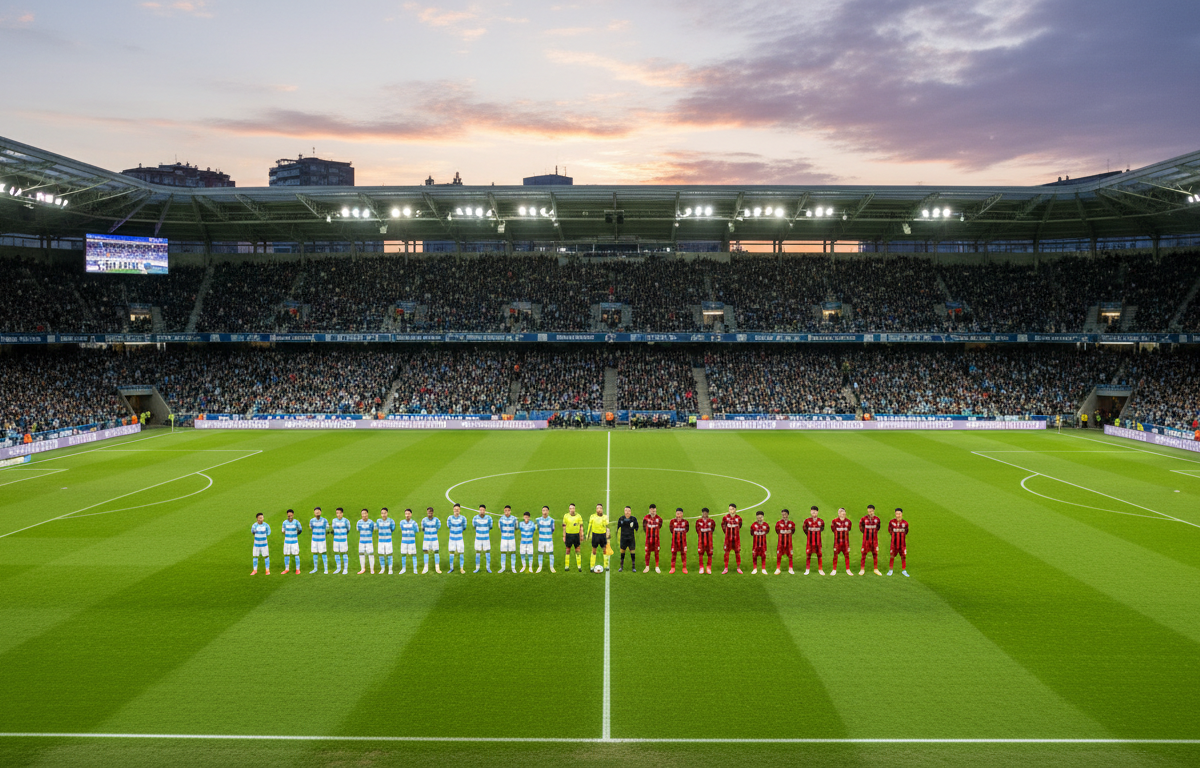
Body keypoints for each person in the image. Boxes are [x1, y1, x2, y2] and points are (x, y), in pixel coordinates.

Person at [859, 504, 882, 576]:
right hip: (866, 541)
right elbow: (861, 527)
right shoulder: (863, 519)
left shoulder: (877, 519)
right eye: (869, 511)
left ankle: (876, 569)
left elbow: (878, 527)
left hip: (874, 541)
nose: (870, 512)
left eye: (871, 511)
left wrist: (873, 534)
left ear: (873, 511)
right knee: (863, 554)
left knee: (875, 554)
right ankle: (862, 569)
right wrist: (866, 533)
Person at [829, 508, 853, 576]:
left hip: (845, 543)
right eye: (842, 513)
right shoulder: (834, 521)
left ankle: (848, 570)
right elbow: (833, 529)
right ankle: (834, 570)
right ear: (839, 513)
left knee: (847, 556)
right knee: (835, 556)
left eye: (844, 513)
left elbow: (849, 529)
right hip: (837, 542)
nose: (843, 514)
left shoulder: (848, 522)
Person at [721, 503, 743, 574]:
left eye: (732, 509)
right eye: (730, 509)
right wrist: (727, 533)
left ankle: (738, 568)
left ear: (735, 509)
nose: (731, 510)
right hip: (728, 540)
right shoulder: (725, 518)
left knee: (737, 553)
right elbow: (723, 526)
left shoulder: (739, 518)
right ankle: (726, 568)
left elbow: (740, 526)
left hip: (736, 540)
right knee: (726, 553)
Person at [587, 503, 610, 572]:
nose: (599, 509)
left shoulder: (605, 517)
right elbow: (589, 526)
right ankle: (592, 566)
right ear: (596, 509)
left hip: (602, 535)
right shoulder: (592, 516)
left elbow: (606, 524)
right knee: (594, 551)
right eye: (597, 508)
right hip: (595, 535)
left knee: (604, 550)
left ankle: (606, 566)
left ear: (602, 509)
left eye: (600, 508)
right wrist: (588, 534)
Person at [280, 509, 303, 574]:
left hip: (294, 542)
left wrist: (295, 535)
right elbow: (283, 531)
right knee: (286, 554)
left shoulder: (296, 522)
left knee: (296, 554)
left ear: (293, 514)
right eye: (288, 514)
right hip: (287, 542)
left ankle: (297, 569)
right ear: (287, 515)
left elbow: (300, 530)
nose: (289, 515)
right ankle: (286, 569)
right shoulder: (284, 522)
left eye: (290, 514)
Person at [803, 506, 825, 576]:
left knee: (819, 555)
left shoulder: (821, 521)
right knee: (808, 555)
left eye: (815, 511)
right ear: (810, 512)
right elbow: (804, 528)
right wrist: (809, 535)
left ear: (817, 512)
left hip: (818, 542)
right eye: (812, 511)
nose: (814, 512)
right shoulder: (807, 521)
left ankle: (820, 569)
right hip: (809, 542)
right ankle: (807, 569)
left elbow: (822, 528)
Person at [616, 506, 639, 572]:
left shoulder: (633, 519)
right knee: (622, 554)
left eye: (628, 511)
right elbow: (618, 529)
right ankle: (621, 567)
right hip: (623, 539)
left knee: (632, 553)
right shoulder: (621, 519)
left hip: (631, 539)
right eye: (626, 510)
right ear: (624, 511)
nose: (627, 512)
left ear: (630, 512)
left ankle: (633, 567)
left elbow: (637, 528)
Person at [888, 508, 910, 577]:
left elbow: (906, 531)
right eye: (897, 514)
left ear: (902, 514)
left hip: (902, 544)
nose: (898, 515)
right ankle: (890, 570)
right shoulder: (891, 522)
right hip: (894, 544)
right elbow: (890, 530)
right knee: (892, 556)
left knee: (903, 557)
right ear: (895, 514)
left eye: (899, 514)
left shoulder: (905, 523)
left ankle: (904, 570)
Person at [472, 504, 494, 573]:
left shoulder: (489, 518)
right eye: (480, 510)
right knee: (478, 552)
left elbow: (490, 526)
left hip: (486, 539)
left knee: (487, 552)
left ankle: (488, 568)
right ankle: (477, 568)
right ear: (479, 510)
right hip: (478, 539)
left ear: (485, 510)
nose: (482, 511)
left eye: (483, 510)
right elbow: (474, 526)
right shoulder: (475, 518)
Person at [562, 503, 584, 572]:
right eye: (571, 508)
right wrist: (564, 536)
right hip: (568, 535)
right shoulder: (566, 516)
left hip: (576, 535)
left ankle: (579, 566)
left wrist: (581, 535)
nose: (572, 510)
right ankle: (566, 566)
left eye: (573, 508)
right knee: (567, 550)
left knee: (577, 550)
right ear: (569, 509)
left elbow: (581, 527)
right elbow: (564, 527)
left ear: (575, 509)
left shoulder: (578, 516)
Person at [447, 504, 468, 574]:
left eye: (458, 509)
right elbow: (449, 526)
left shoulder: (463, 518)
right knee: (451, 552)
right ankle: (451, 568)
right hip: (452, 539)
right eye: (455, 509)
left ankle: (461, 568)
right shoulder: (449, 518)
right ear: (453, 510)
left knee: (461, 553)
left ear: (460, 510)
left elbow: (464, 527)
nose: (456, 510)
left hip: (459, 539)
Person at [642, 504, 663, 573]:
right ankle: (647, 567)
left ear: (656, 510)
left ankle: (657, 567)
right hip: (648, 540)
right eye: (651, 510)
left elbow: (660, 526)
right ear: (649, 510)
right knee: (647, 553)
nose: (653, 512)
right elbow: (644, 527)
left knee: (656, 553)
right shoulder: (646, 518)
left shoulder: (659, 519)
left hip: (656, 540)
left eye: (654, 510)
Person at [398, 508, 420, 574]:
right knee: (403, 554)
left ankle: (415, 569)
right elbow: (402, 528)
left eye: (408, 514)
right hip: (404, 541)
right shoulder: (401, 522)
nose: (407, 515)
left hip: (411, 542)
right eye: (406, 514)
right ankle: (403, 568)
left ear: (411, 514)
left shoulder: (414, 523)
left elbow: (417, 530)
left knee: (413, 555)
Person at [498, 505, 518, 573]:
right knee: (503, 552)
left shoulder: (514, 519)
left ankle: (513, 568)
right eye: (505, 510)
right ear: (504, 511)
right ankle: (503, 567)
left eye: (508, 510)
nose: (507, 512)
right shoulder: (501, 519)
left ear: (510, 511)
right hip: (504, 538)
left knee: (512, 552)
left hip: (512, 538)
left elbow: (516, 527)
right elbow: (500, 528)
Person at [695, 507, 716, 574]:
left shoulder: (711, 521)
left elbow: (713, 528)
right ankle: (701, 567)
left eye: (706, 513)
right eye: (703, 513)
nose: (704, 514)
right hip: (701, 541)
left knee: (709, 553)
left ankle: (708, 568)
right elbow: (697, 530)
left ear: (707, 513)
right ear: (702, 513)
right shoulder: (698, 521)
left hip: (709, 541)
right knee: (700, 553)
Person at [421, 507, 442, 574]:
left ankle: (437, 568)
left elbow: (438, 527)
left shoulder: (436, 520)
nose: (429, 514)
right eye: (428, 512)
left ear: (432, 512)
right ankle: (425, 567)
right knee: (425, 552)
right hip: (426, 539)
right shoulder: (424, 520)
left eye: (430, 512)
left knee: (436, 552)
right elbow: (423, 528)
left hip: (434, 539)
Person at [669, 507, 689, 574]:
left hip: (683, 542)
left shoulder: (685, 522)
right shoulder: (672, 521)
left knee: (683, 554)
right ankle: (672, 567)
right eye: (677, 513)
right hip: (674, 541)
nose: (679, 515)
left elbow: (687, 530)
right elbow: (671, 530)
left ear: (682, 514)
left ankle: (684, 567)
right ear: (676, 514)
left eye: (680, 513)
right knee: (674, 554)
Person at [309, 506, 329, 574]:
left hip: (322, 540)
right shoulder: (312, 521)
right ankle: (315, 568)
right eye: (316, 511)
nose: (317, 512)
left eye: (318, 511)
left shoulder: (324, 520)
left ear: (320, 512)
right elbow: (311, 528)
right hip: (314, 540)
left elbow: (327, 529)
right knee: (315, 553)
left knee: (323, 553)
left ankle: (326, 569)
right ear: (314, 513)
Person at [376, 507, 396, 574]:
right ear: (381, 514)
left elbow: (392, 529)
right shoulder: (378, 521)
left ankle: (390, 569)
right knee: (381, 554)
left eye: (385, 513)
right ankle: (382, 569)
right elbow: (377, 528)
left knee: (389, 554)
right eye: (382, 513)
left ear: (387, 513)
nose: (383, 514)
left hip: (388, 540)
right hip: (381, 541)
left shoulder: (391, 521)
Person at [775, 508, 795, 575]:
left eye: (785, 514)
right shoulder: (778, 523)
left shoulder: (791, 523)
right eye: (783, 514)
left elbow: (793, 531)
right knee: (779, 555)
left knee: (790, 555)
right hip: (781, 543)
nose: (784, 516)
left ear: (788, 515)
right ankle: (778, 568)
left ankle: (790, 568)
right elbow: (777, 531)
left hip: (789, 543)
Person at [536, 505, 556, 573]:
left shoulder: (551, 520)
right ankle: (540, 567)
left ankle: (551, 567)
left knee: (550, 553)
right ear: (541, 511)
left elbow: (553, 529)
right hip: (541, 540)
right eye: (543, 510)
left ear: (548, 511)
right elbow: (538, 528)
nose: (544, 512)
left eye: (546, 510)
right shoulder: (538, 520)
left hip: (549, 540)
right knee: (540, 553)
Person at [331, 507, 351, 574]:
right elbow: (333, 529)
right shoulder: (334, 521)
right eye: (337, 513)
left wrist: (343, 535)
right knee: (336, 553)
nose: (338, 514)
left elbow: (348, 529)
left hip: (343, 540)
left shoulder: (346, 521)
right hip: (336, 540)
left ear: (342, 513)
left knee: (344, 553)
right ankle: (338, 568)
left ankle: (345, 569)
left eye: (340, 513)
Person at [357, 509, 376, 575]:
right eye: (363, 514)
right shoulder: (359, 522)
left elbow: (373, 529)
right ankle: (362, 568)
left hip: (369, 542)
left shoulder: (371, 522)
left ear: (367, 514)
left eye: (365, 513)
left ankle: (372, 569)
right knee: (361, 554)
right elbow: (358, 530)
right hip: (361, 542)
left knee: (370, 555)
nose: (364, 515)